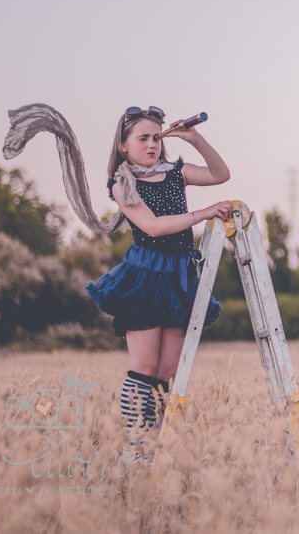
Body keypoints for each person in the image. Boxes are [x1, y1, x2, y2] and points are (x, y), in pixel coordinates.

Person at [85, 106, 233, 450]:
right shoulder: (122, 183)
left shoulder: (175, 172)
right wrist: (205, 212)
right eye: (143, 139)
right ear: (124, 145)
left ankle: (158, 445)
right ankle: (137, 445)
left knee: (168, 371)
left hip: (179, 274)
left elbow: (220, 174)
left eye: (156, 137)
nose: (152, 144)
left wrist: (195, 138)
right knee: (145, 365)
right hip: (145, 276)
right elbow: (152, 226)